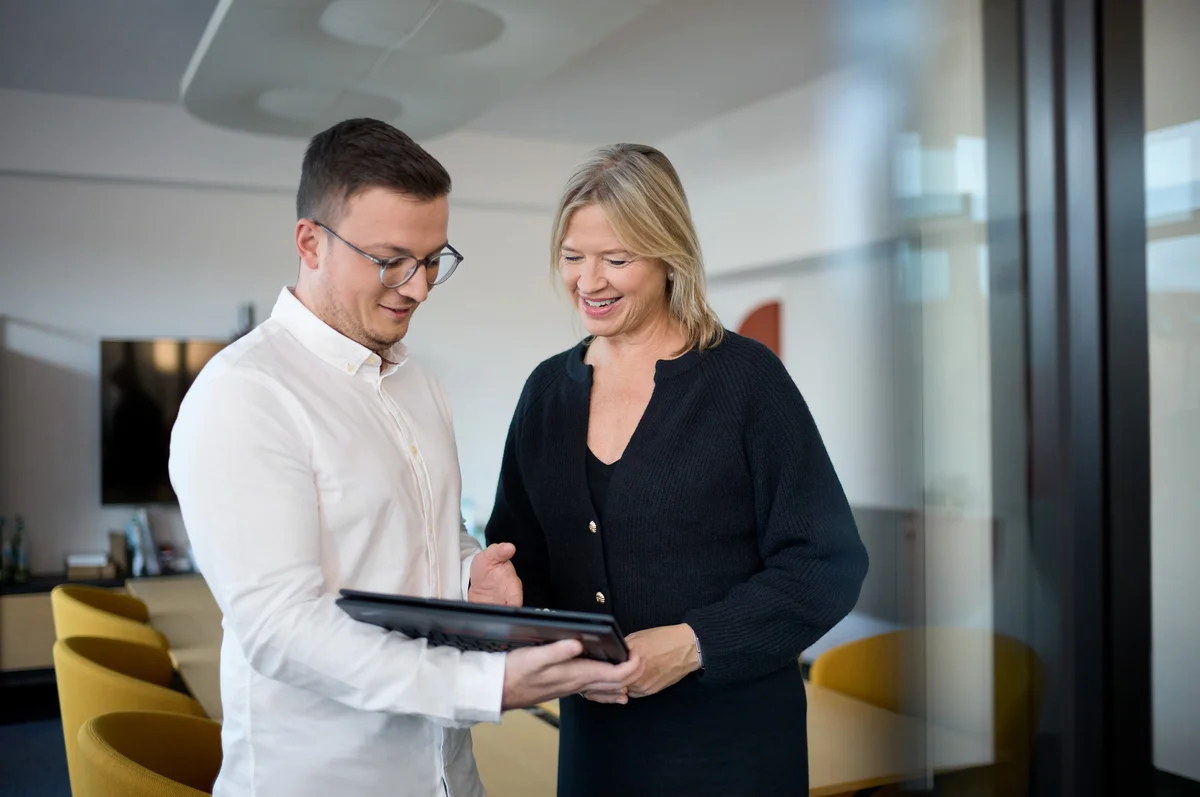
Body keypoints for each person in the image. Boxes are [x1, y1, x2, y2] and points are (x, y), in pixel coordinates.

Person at [169, 119, 642, 797]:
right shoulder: (245, 395)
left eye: (432, 260)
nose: (417, 288)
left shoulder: (417, 383)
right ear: (310, 242)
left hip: (447, 773)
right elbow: (280, 627)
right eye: (392, 259)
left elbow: (424, 541)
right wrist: (487, 682)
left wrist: (468, 573)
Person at [485, 143, 870, 797]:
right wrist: (504, 588)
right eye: (573, 256)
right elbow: (527, 559)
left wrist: (695, 642)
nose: (589, 280)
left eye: (616, 259)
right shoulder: (546, 392)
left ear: (668, 256)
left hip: (731, 752)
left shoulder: (746, 381)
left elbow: (826, 565)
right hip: (594, 748)